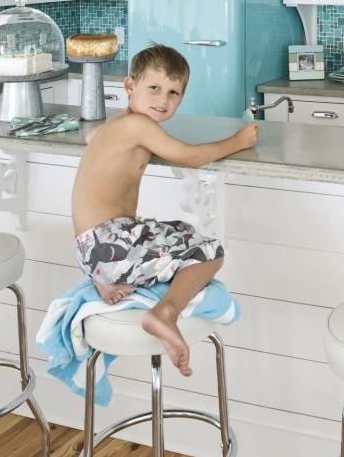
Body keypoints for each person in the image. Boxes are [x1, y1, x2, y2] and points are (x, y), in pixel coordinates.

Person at [72, 43, 257, 375]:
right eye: (154, 88)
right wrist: (238, 141)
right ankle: (165, 313)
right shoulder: (139, 127)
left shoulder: (122, 124)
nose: (163, 99)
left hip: (91, 249)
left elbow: (93, 139)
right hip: (112, 242)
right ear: (130, 87)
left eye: (174, 93)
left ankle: (106, 281)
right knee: (210, 251)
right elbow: (191, 156)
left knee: (180, 232)